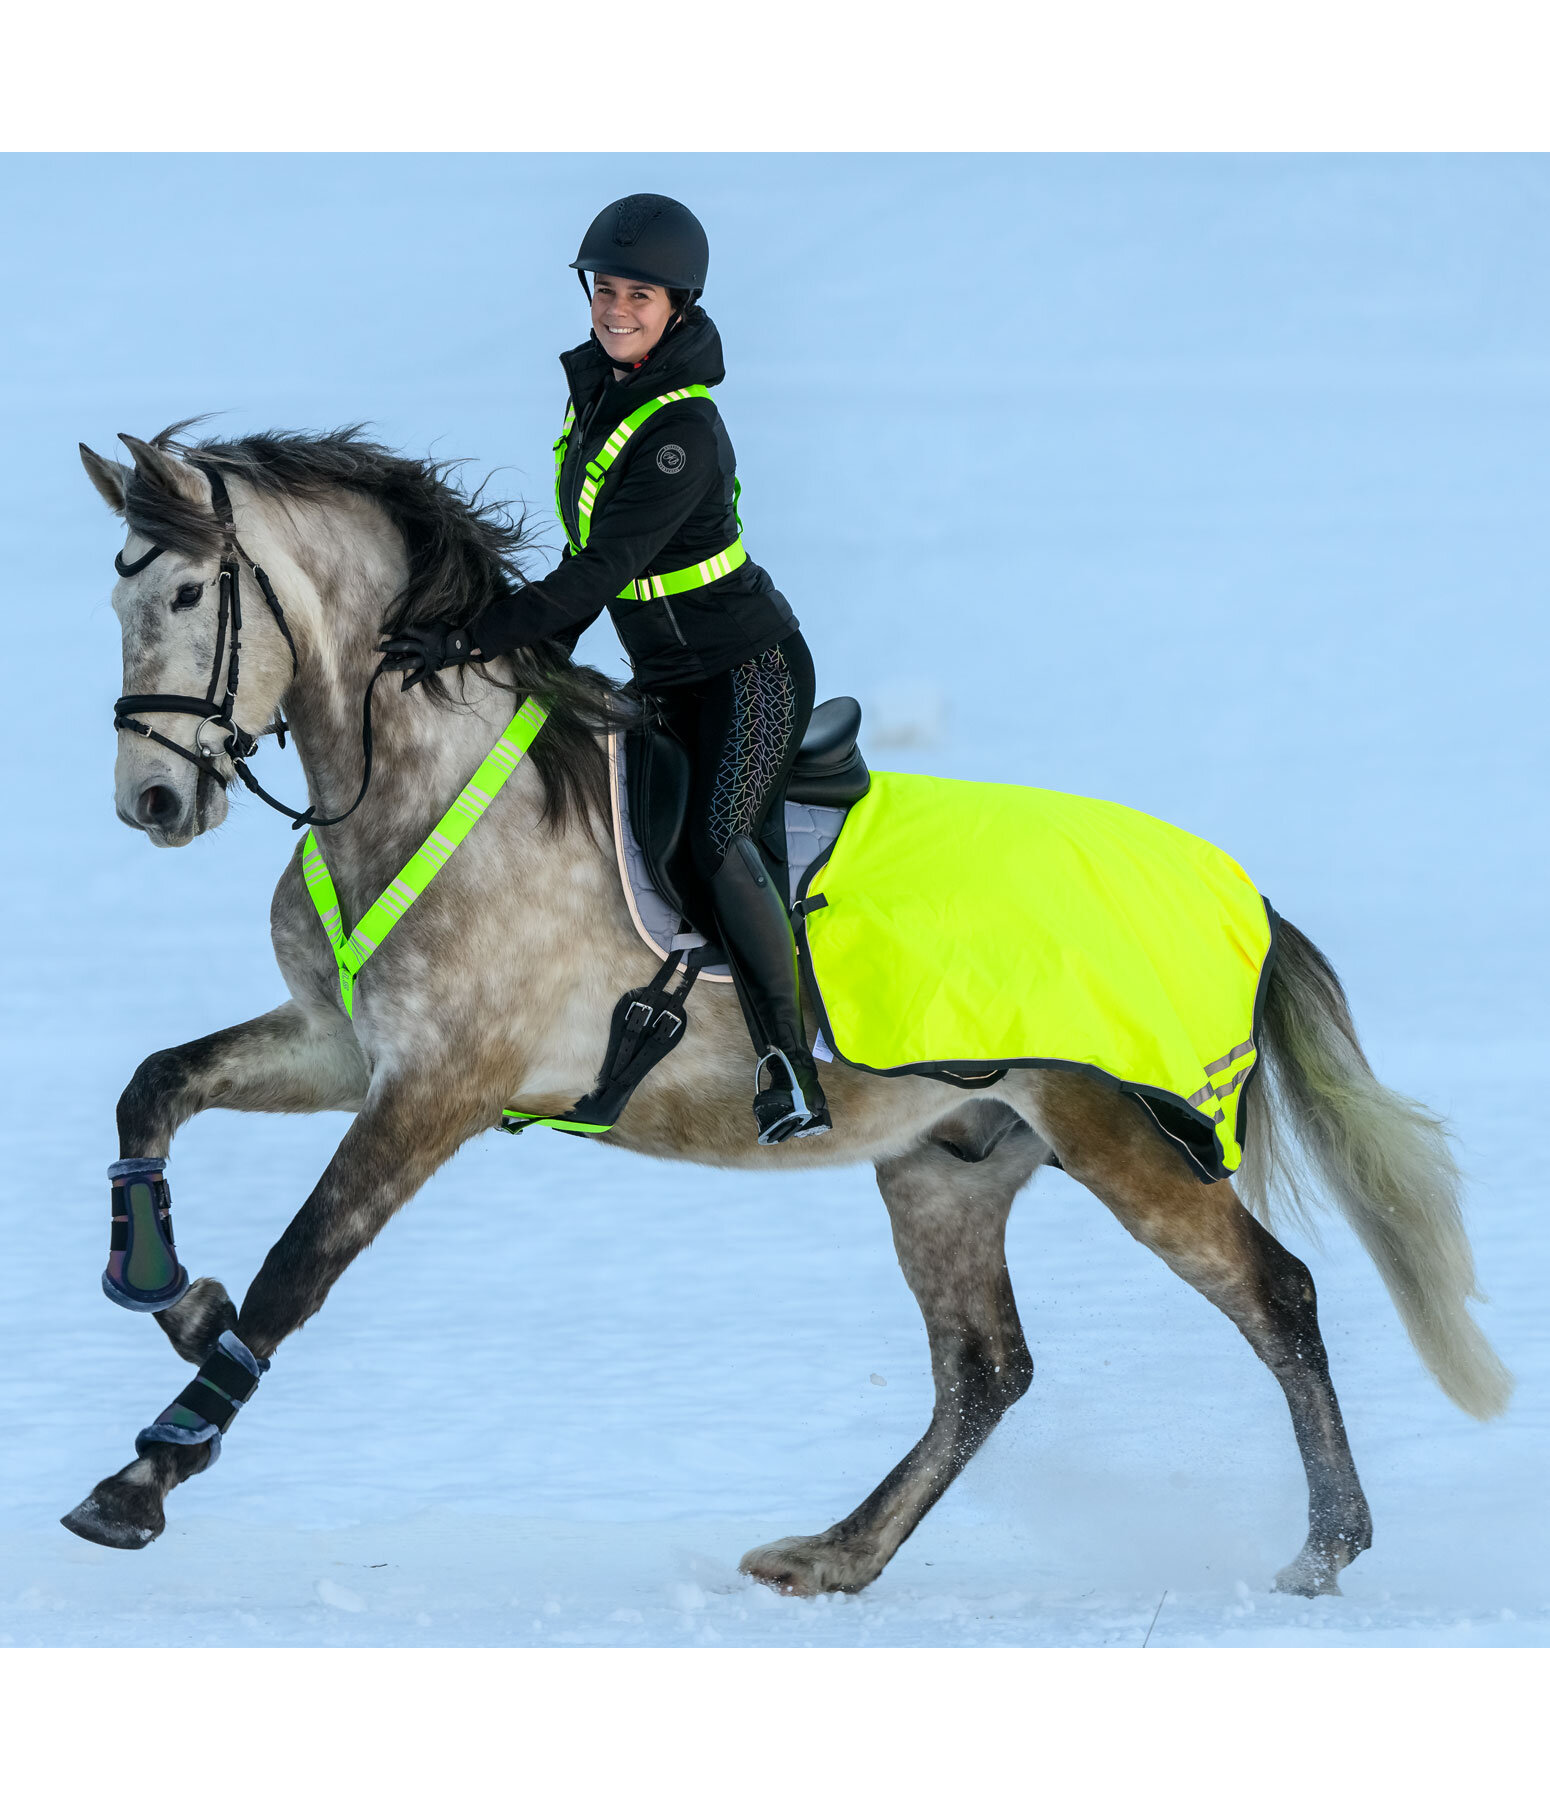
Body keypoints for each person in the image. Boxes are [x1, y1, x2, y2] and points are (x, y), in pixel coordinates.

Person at [382, 193, 830, 1145]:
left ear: (680, 306)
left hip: (748, 674)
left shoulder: (682, 432)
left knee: (714, 843)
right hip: (663, 675)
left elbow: (593, 574)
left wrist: (472, 640)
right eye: (606, 288)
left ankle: (789, 1066)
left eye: (640, 295)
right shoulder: (603, 395)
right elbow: (594, 584)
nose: (616, 309)